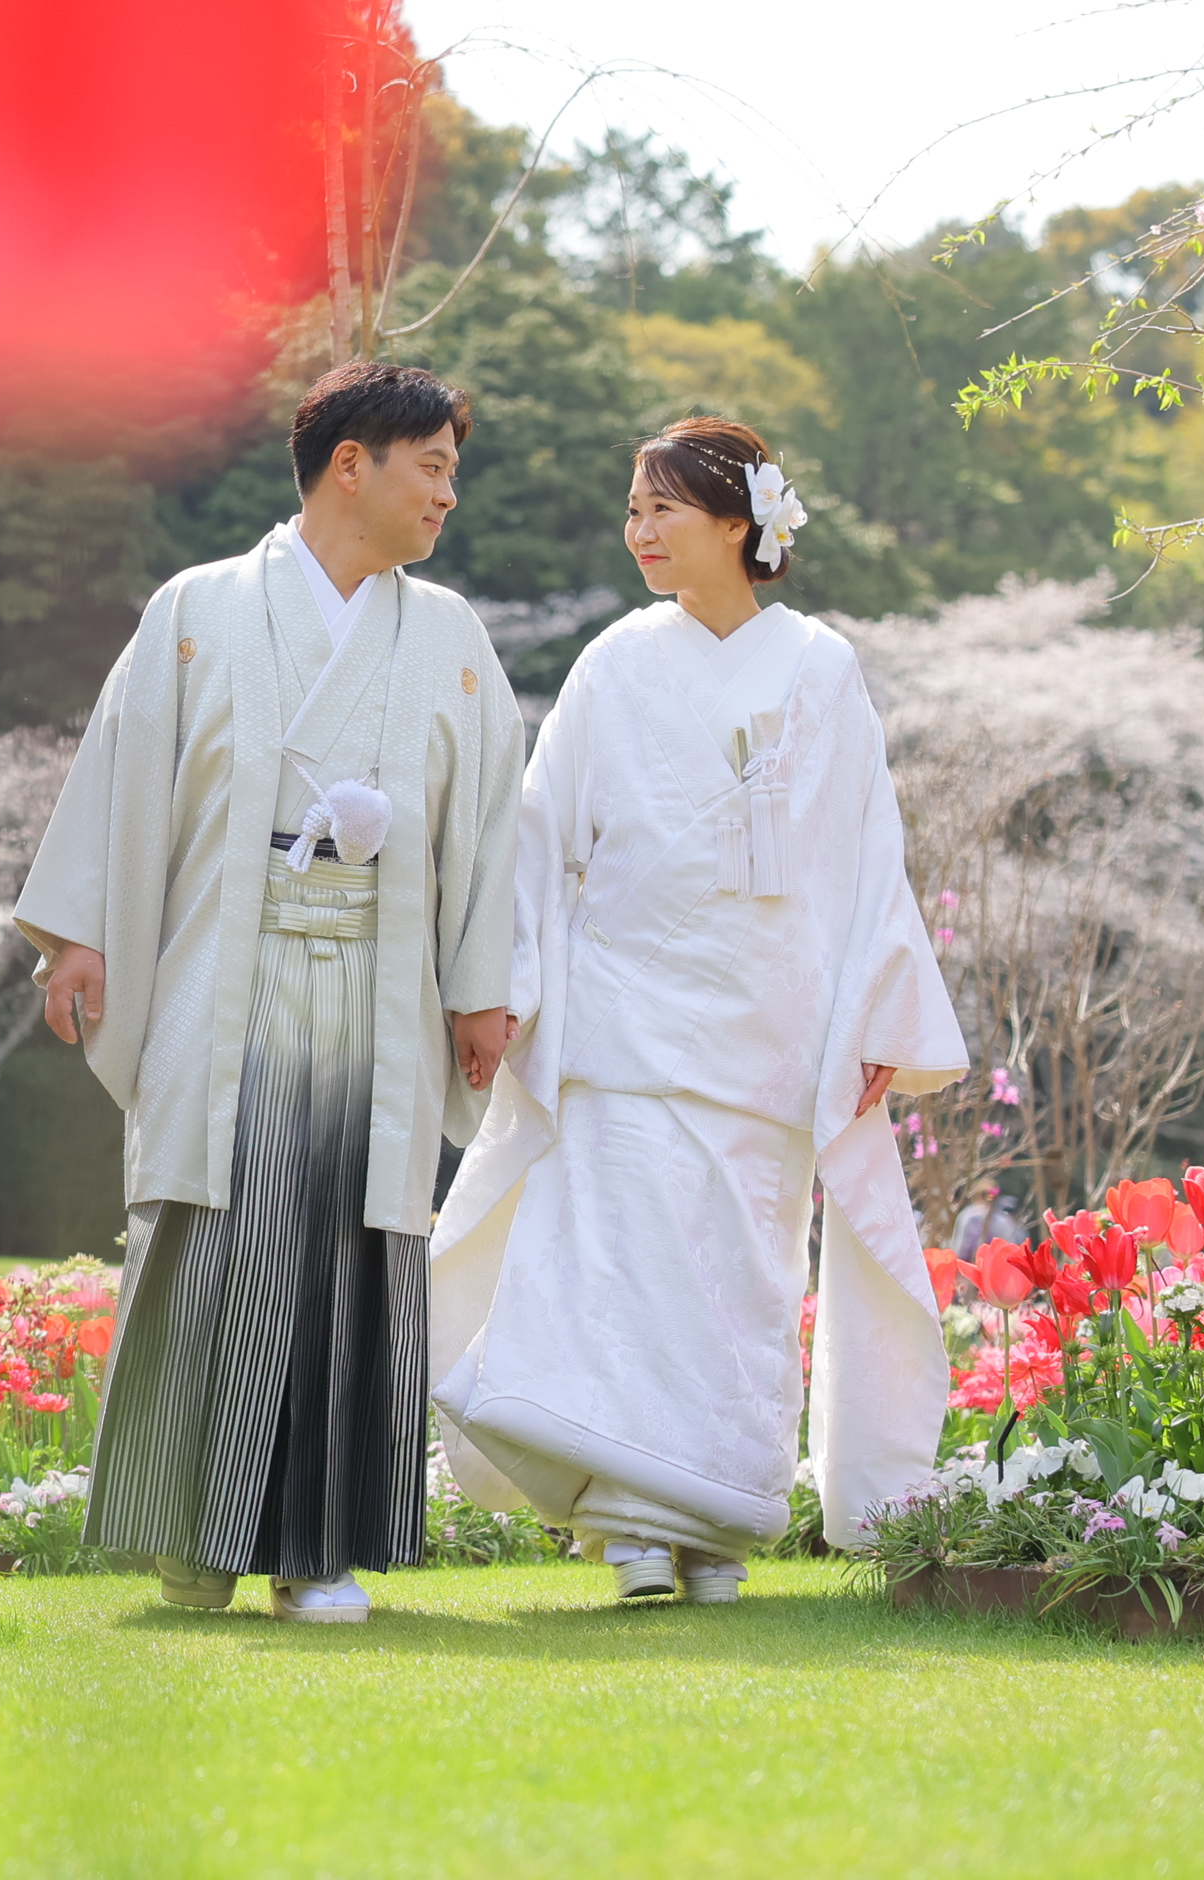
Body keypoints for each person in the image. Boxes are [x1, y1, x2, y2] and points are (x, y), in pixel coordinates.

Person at [430, 418, 968, 1607]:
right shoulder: (616, 660)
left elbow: (868, 849)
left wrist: (877, 1013)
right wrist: (508, 984)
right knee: (615, 1260)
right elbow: (539, 826)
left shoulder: (822, 666)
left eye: (662, 508)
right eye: (633, 509)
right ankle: (631, 1528)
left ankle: (719, 1514)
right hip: (626, 1007)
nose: (640, 531)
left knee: (741, 1275)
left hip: (771, 1017)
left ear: (740, 521)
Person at [16, 362, 522, 1625]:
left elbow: (491, 824)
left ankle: (318, 1547)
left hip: (377, 975)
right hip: (223, 965)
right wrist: (78, 933)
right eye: (433, 465)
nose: (448, 494)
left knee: (353, 1247)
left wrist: (480, 989)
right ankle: (196, 1538)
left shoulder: (448, 633)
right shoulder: (198, 609)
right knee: (217, 1226)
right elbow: (121, 768)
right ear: (351, 461)